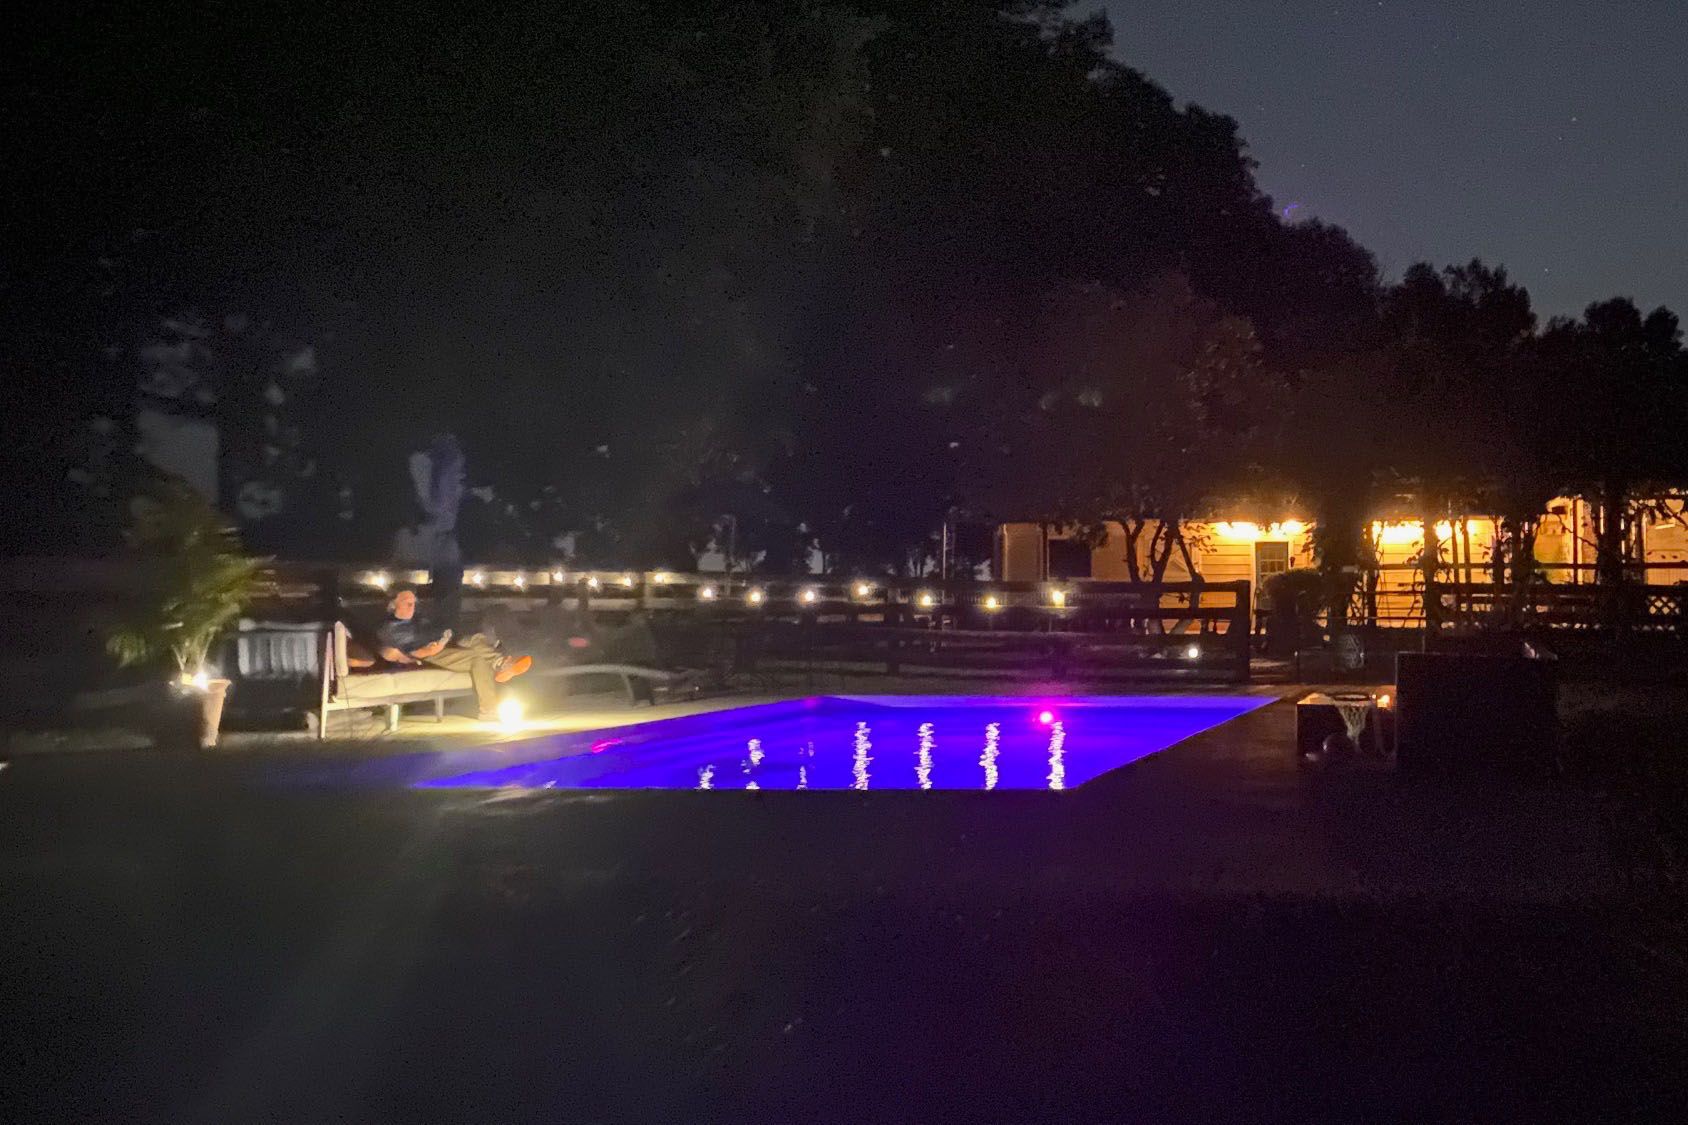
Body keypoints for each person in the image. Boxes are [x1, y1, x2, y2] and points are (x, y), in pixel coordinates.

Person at [376, 587, 531, 722]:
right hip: (430, 654)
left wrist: (444, 635)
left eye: (413, 602)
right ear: (393, 604)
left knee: (477, 638)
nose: (412, 606)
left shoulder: (417, 618)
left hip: (445, 644)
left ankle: (501, 663)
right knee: (479, 659)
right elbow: (417, 652)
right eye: (407, 602)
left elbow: (434, 630)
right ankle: (490, 705)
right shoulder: (391, 627)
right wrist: (437, 646)